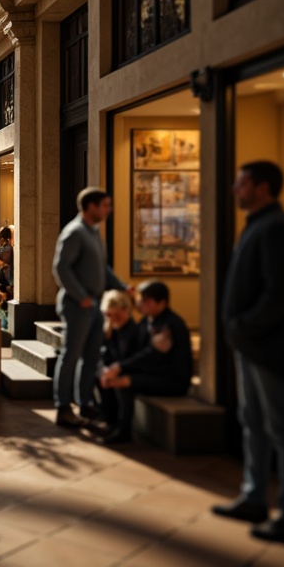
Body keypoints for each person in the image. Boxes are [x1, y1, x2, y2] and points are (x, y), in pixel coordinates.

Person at [213, 160, 284, 545]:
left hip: (273, 349)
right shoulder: (261, 225)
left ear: (263, 188)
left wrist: (241, 326)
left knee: (281, 428)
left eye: (242, 184)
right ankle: (254, 497)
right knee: (252, 421)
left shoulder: (279, 229)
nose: (236, 190)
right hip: (253, 347)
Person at [52, 186, 127, 428]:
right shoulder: (74, 232)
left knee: (91, 357)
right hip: (78, 305)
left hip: (95, 304)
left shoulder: (93, 232)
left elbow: (102, 268)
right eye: (105, 205)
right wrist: (81, 296)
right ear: (91, 207)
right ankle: (63, 407)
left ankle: (85, 403)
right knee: (71, 356)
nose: (109, 209)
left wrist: (122, 287)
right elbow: (61, 268)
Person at [97, 280, 192, 445]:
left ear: (161, 302)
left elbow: (150, 354)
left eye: (146, 301)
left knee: (124, 381)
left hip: (173, 381)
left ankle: (123, 430)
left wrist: (119, 367)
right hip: (154, 374)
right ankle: (112, 422)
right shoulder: (147, 321)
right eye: (140, 299)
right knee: (112, 376)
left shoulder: (170, 324)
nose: (140, 304)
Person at [94, 289, 143, 434]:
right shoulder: (112, 330)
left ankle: (119, 425)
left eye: (114, 314)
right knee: (98, 374)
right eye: (108, 315)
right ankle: (108, 418)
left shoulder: (134, 330)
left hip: (129, 369)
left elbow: (134, 358)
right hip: (117, 368)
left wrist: (115, 370)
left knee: (117, 382)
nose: (112, 318)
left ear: (124, 310)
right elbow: (106, 356)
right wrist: (104, 369)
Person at [0, 226, 14, 300]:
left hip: (4, 281)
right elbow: (0, 263)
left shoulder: (5, 248)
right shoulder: (7, 248)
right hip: (6, 281)